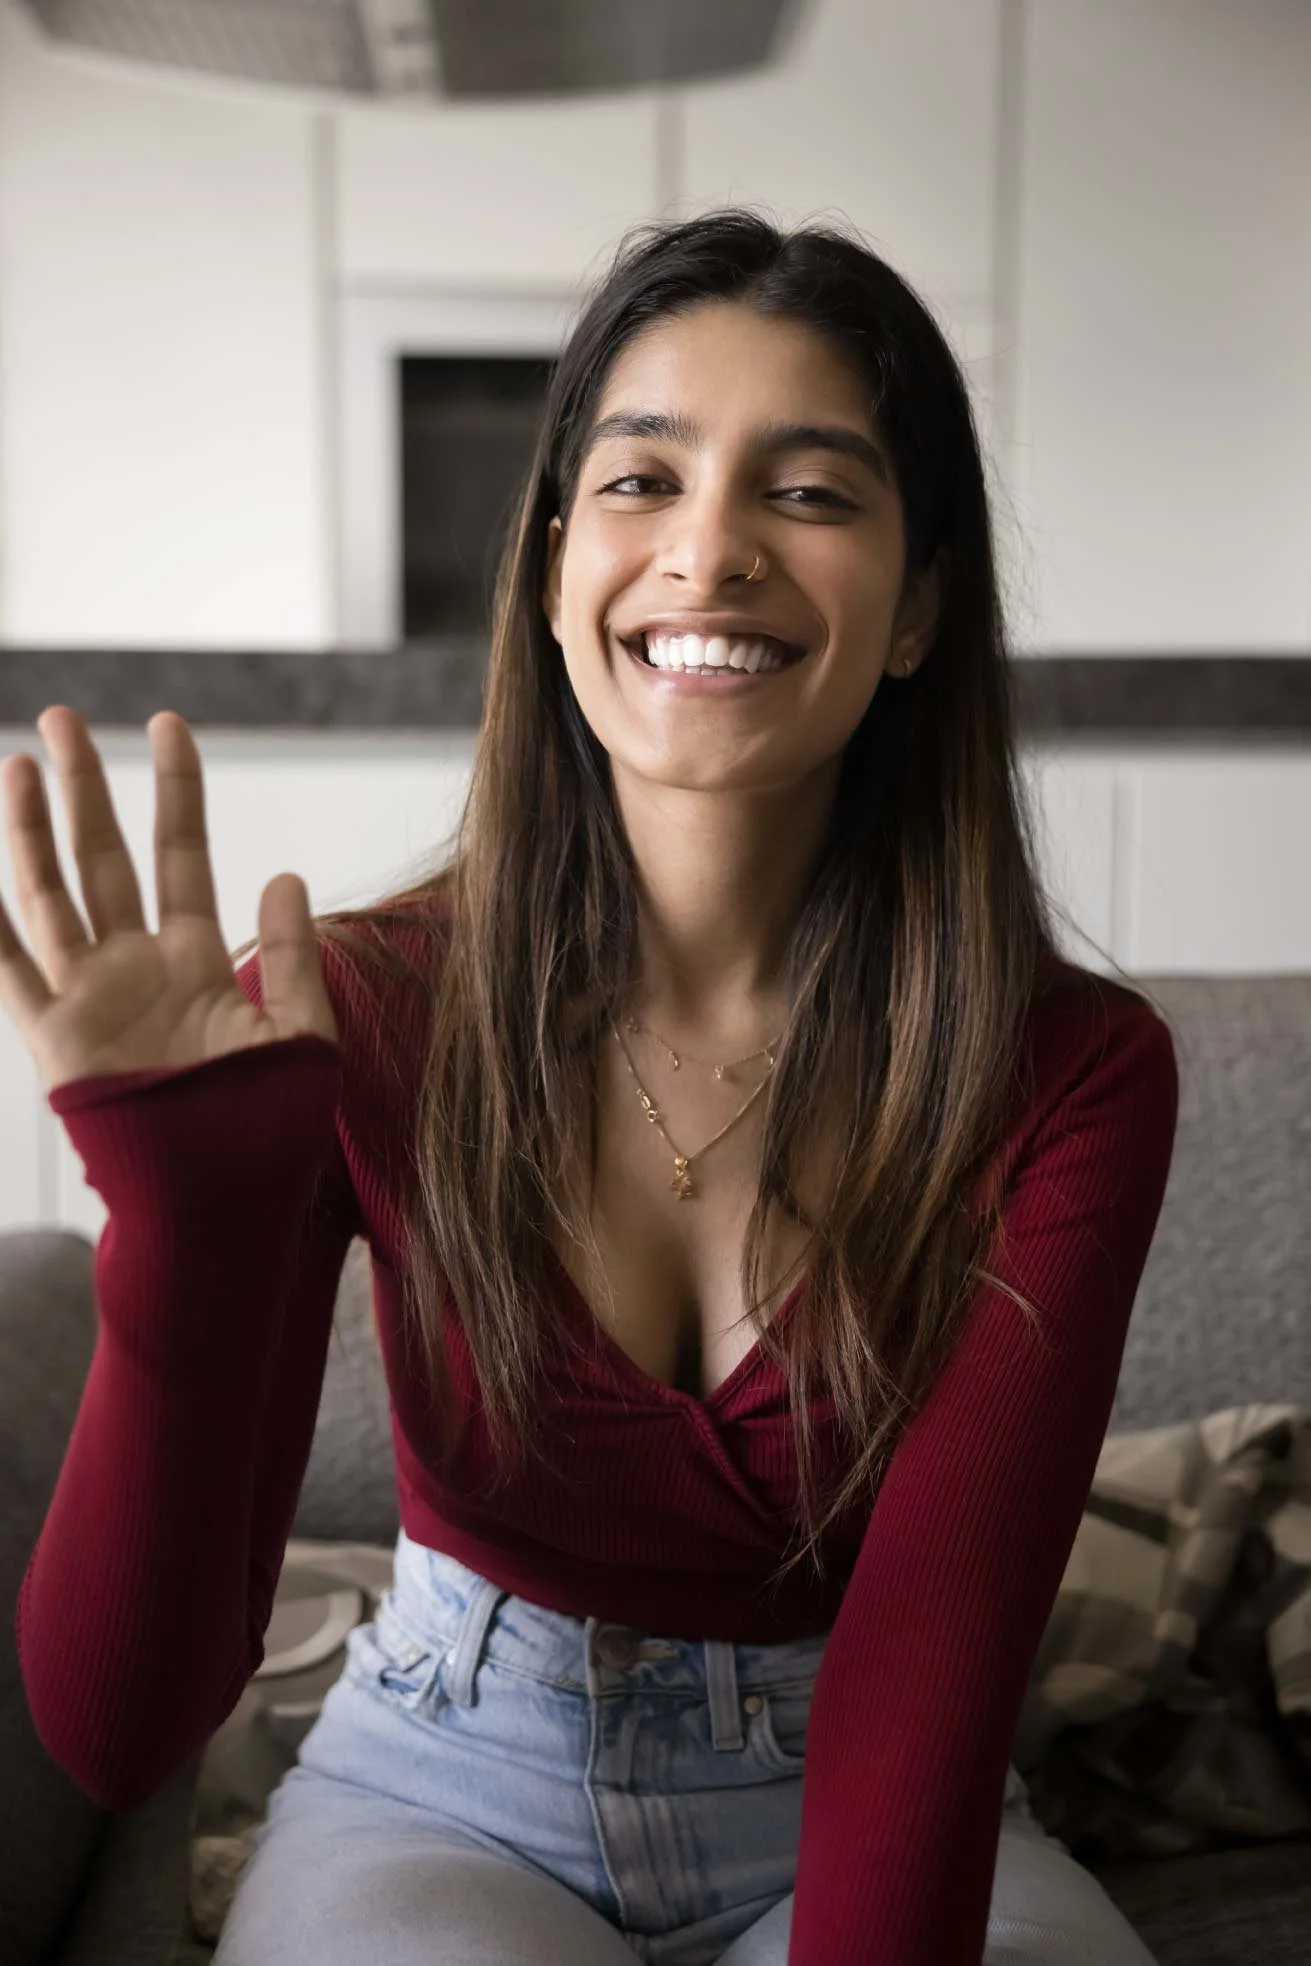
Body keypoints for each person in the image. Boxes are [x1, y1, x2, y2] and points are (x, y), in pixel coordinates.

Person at [2, 210, 1177, 1966]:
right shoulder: (357, 1009)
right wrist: (174, 1235)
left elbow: (922, 1683)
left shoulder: (1069, 1073)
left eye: (811, 492)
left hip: (854, 1785)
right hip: (436, 1787)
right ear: (554, 572)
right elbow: (120, 1719)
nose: (708, 554)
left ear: (920, 603)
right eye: (641, 482)